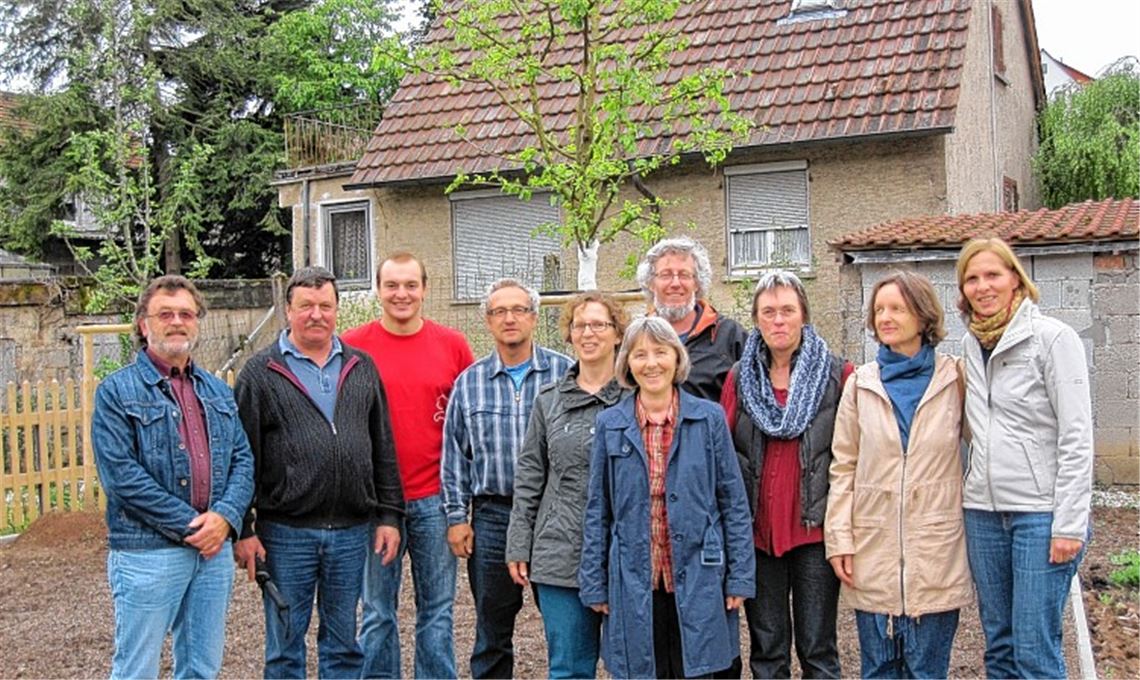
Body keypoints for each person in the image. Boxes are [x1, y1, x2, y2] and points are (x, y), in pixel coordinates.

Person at [233, 266, 405, 679]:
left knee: (344, 645)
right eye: (306, 306)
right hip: (285, 532)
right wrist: (244, 528)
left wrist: (388, 515)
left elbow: (382, 447)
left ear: (336, 311)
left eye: (325, 306)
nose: (316, 315)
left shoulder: (361, 367)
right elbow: (241, 457)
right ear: (287, 310)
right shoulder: (260, 373)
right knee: (285, 647)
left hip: (350, 531)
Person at [91, 275, 254, 680]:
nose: (177, 322)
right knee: (137, 668)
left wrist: (225, 518)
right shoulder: (117, 392)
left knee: (202, 667)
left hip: (212, 554)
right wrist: (193, 526)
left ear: (197, 322)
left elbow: (243, 460)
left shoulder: (218, 391)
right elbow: (121, 477)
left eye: (186, 313)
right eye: (165, 314)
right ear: (144, 324)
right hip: (148, 552)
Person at [579, 317, 755, 679]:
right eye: (640, 354)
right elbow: (598, 510)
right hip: (634, 577)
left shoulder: (708, 419)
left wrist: (739, 576)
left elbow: (733, 501)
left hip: (700, 575)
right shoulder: (612, 424)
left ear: (677, 358)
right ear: (627, 362)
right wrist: (595, 581)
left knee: (702, 667)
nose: (651, 363)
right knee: (645, 667)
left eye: (660, 352)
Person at [956, 238, 1093, 678]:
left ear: (1016, 278)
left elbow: (1076, 436)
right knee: (999, 646)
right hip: (982, 512)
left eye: (993, 274)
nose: (982, 286)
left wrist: (1069, 523)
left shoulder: (1053, 339)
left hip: (1039, 514)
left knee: (1034, 650)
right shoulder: (968, 345)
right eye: (972, 278)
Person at [825, 271, 972, 679]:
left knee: (927, 671)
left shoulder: (954, 378)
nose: (886, 317)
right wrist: (839, 539)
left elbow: (986, 443)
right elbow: (844, 467)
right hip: (874, 548)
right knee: (879, 670)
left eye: (898, 308)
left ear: (923, 317)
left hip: (935, 549)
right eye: (880, 309)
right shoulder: (860, 383)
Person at [343, 253, 475, 679]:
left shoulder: (452, 345)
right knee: (378, 611)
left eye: (410, 285)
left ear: (425, 288)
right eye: (392, 285)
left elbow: (467, 422)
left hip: (436, 499)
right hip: (376, 503)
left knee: (437, 612)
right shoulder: (353, 346)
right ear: (378, 290)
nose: (402, 294)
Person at [720, 270, 851, 679]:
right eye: (769, 311)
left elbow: (850, 455)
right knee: (768, 648)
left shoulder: (836, 375)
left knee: (818, 647)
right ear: (756, 318)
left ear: (803, 316)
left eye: (787, 311)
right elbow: (723, 454)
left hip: (814, 531)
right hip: (758, 535)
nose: (779, 320)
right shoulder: (740, 377)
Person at [441, 278, 573, 678]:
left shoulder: (565, 373)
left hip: (553, 517)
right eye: (500, 311)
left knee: (563, 626)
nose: (509, 318)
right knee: (492, 630)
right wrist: (456, 517)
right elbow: (454, 455)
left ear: (534, 317)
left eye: (518, 310)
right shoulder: (470, 382)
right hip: (494, 516)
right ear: (487, 321)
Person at [504, 292, 628, 679]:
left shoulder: (637, 398)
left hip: (626, 553)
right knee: (569, 668)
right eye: (580, 326)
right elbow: (530, 478)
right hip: (560, 554)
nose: (588, 333)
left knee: (633, 665)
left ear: (618, 334)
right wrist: (519, 542)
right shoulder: (548, 403)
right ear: (570, 336)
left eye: (598, 325)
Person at [637, 236, 746, 402]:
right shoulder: (635, 336)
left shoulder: (730, 335)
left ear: (697, 283)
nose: (675, 283)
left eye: (684, 275)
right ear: (651, 283)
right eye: (665, 275)